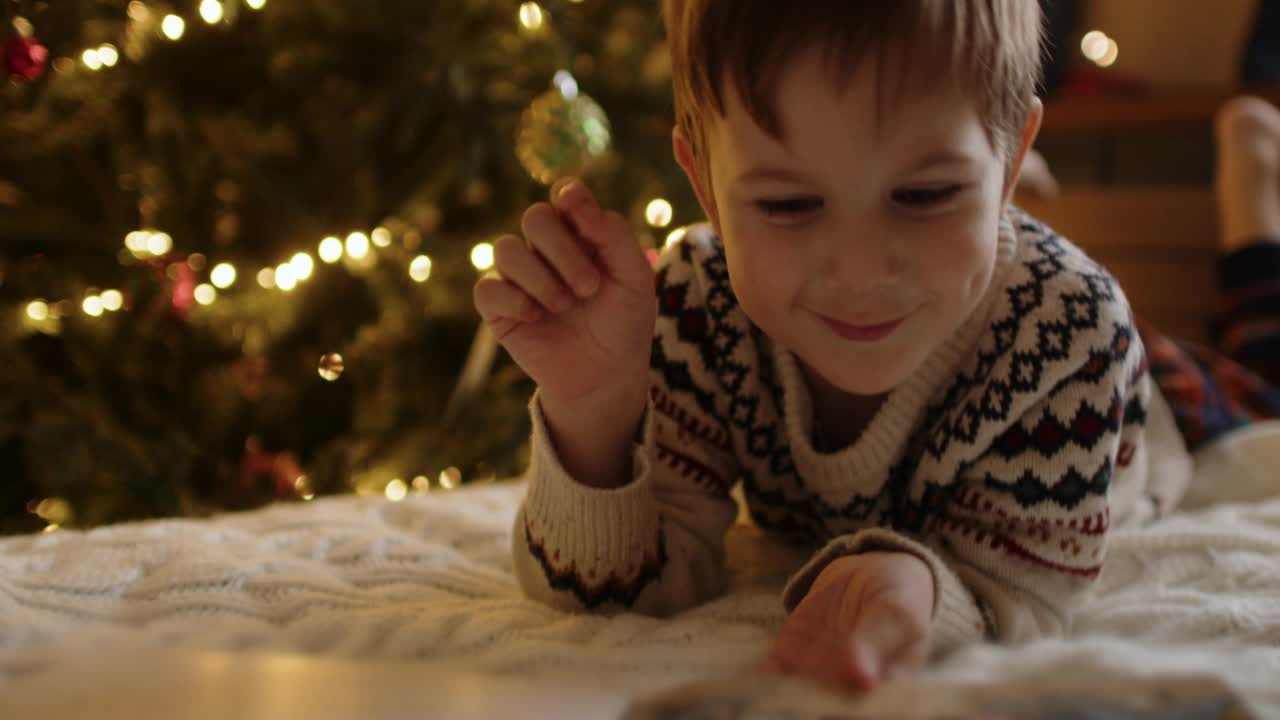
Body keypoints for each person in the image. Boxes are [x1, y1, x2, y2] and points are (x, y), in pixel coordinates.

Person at [472, 1, 1240, 692]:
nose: (860, 271)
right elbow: (631, 584)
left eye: (923, 193)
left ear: (1008, 158)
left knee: (1261, 371)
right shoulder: (695, 303)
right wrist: (595, 415)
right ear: (704, 184)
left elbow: (1027, 589)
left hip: (1166, 402)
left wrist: (928, 588)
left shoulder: (1073, 329)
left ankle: (1254, 203)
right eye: (790, 204)